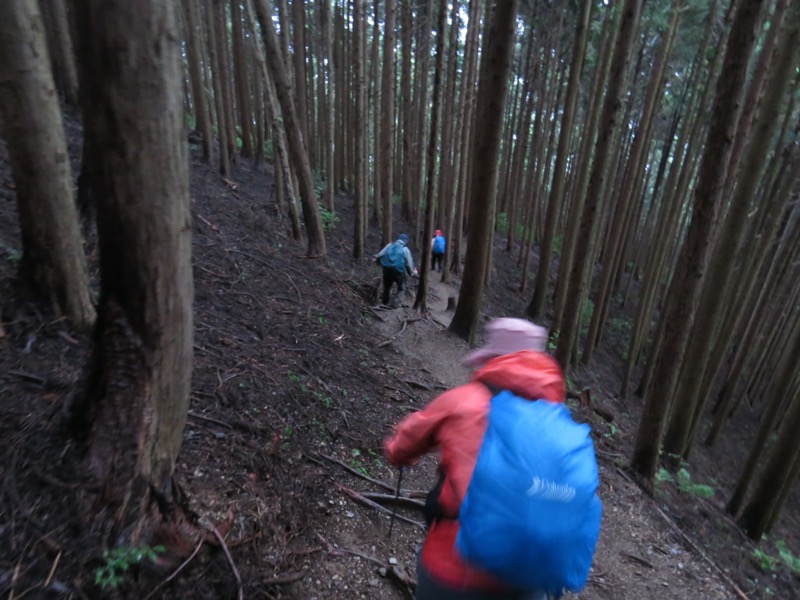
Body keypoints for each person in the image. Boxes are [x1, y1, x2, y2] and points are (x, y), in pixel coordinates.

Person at [383, 318, 564, 600]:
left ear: (492, 360)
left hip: (455, 566)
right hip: (532, 571)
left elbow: (402, 444)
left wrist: (399, 454)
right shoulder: (558, 419)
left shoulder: (464, 400)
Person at [375, 233, 417, 306]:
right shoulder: (405, 249)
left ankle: (384, 303)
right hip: (398, 272)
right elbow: (409, 264)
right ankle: (395, 304)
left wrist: (378, 263)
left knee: (387, 287)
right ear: (405, 241)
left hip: (386, 270)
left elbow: (379, 255)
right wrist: (412, 273)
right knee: (402, 288)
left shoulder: (389, 245)